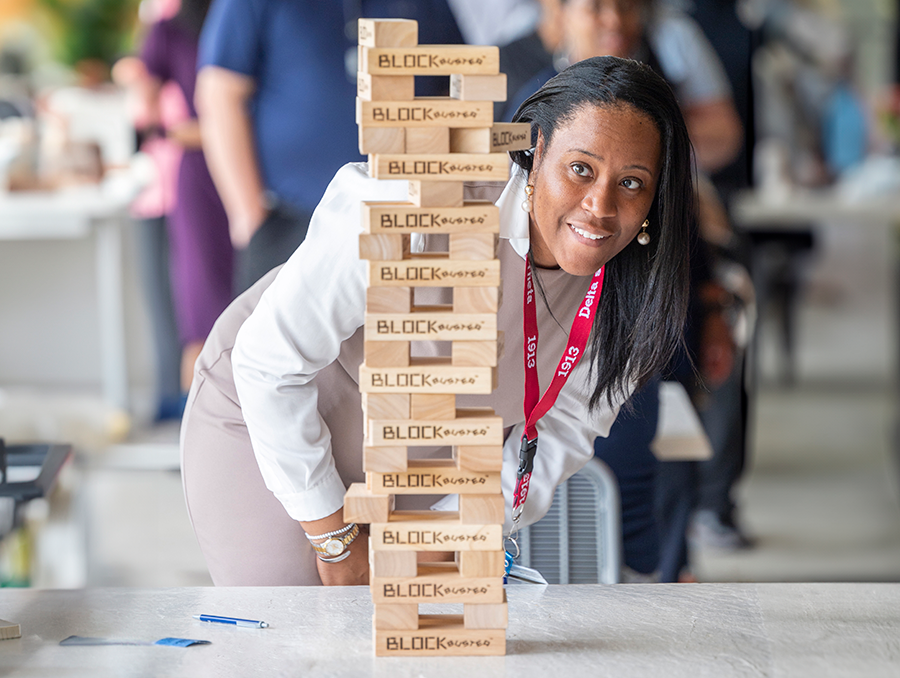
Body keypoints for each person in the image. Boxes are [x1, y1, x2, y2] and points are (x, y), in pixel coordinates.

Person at [180, 56, 694, 586]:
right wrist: (336, 539)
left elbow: (564, 427)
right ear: (536, 152)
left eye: (632, 183)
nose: (601, 205)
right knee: (299, 646)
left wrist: (446, 538)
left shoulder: (634, 292)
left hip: (424, 465)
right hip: (268, 415)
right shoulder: (423, 197)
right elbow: (270, 362)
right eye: (580, 169)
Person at [195, 0, 464, 294]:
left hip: (402, 225)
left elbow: (453, 87)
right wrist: (249, 219)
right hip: (291, 226)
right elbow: (219, 96)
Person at [140, 0, 235, 392]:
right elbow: (144, 110)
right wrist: (183, 131)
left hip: (249, 166)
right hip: (199, 173)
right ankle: (194, 440)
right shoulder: (169, 29)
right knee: (203, 311)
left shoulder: (242, 15)